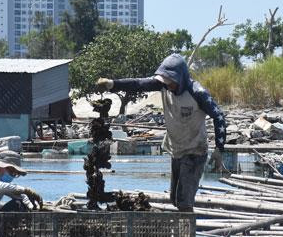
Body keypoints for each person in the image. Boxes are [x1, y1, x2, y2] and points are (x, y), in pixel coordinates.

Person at [96, 53, 227, 212]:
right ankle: (182, 230)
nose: (168, 84)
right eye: (165, 80)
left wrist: (219, 149)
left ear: (181, 78)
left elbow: (219, 116)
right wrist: (112, 84)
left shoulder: (197, 93)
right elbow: (138, 83)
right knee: (175, 199)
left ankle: (185, 234)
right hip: (176, 150)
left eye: (171, 81)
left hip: (195, 151)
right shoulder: (163, 86)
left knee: (184, 202)